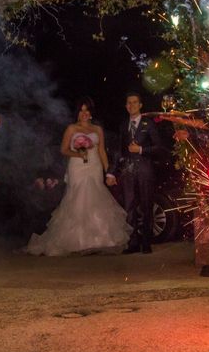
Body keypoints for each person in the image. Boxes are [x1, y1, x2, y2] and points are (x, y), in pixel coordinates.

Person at [27, 97, 131, 256]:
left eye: (86, 110)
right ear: (77, 113)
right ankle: (76, 241)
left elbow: (102, 151)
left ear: (90, 113)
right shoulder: (71, 129)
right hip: (77, 166)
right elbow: (63, 150)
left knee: (96, 198)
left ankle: (99, 239)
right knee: (78, 199)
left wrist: (108, 172)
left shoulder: (97, 130)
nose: (84, 113)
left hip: (94, 165)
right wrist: (77, 152)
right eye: (81, 110)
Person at [106, 92, 164, 254]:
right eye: (128, 103)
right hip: (128, 171)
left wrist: (140, 149)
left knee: (146, 205)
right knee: (129, 206)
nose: (131, 105)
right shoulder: (123, 125)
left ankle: (146, 241)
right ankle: (133, 242)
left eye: (134, 102)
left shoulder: (148, 124)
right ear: (126, 106)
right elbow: (118, 150)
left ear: (140, 105)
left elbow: (159, 147)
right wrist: (112, 172)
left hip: (145, 169)